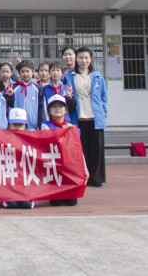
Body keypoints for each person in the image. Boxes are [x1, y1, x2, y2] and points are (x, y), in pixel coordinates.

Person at [62, 47, 107, 188]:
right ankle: (82, 176)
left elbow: (103, 98)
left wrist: (102, 113)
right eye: (81, 58)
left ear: (91, 59)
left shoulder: (97, 76)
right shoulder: (69, 77)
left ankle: (96, 177)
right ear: (76, 59)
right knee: (81, 150)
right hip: (78, 118)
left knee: (96, 150)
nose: (84, 60)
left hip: (95, 118)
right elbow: (66, 97)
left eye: (86, 58)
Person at [40, 95, 79, 207]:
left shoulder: (72, 127)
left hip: (68, 164)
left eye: (61, 107)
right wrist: (63, 130)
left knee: (72, 202)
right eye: (54, 107)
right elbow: (48, 137)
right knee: (56, 202)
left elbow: (77, 149)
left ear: (66, 110)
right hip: (53, 165)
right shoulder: (45, 124)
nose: (57, 109)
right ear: (49, 111)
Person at [1, 108, 34, 210]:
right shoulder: (0, 138)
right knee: (11, 205)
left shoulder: (33, 139)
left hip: (26, 183)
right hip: (8, 183)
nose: (17, 127)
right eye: (14, 124)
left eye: (20, 124)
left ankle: (28, 196)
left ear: (25, 126)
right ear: (9, 125)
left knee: (26, 205)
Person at [7, 61, 44, 130]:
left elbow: (41, 108)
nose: (25, 74)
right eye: (22, 71)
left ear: (32, 72)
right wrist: (10, 96)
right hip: (16, 126)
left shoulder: (38, 88)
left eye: (28, 71)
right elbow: (9, 105)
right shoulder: (13, 87)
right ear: (19, 73)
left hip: (32, 127)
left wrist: (41, 124)